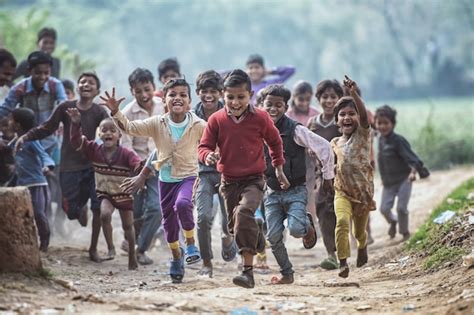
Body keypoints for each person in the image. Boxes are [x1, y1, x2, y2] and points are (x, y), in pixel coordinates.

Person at [103, 79, 205, 283]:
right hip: (165, 179)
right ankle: (177, 257)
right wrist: (116, 112)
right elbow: (130, 127)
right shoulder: (157, 123)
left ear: (189, 101)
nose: (177, 98)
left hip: (189, 176)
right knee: (169, 224)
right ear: (164, 101)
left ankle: (191, 244)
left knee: (183, 204)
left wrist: (212, 155)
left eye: (183, 95)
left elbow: (214, 142)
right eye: (172, 94)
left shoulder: (199, 125)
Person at [198, 69, 289, 289]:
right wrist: (208, 156)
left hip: (254, 180)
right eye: (230, 97)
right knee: (234, 227)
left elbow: (275, 142)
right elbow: (203, 146)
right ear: (223, 96)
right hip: (228, 182)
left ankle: (247, 272)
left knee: (244, 212)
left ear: (250, 94)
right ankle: (256, 234)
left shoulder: (260, 117)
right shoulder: (216, 120)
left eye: (241, 97)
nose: (235, 102)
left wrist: (278, 168)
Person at [15, 72, 109, 261]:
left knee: (97, 208)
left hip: (93, 166)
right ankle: (79, 209)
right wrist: (26, 136)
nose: (86, 84)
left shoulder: (100, 112)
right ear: (77, 88)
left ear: (97, 90)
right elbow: (47, 127)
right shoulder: (65, 107)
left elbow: (110, 132)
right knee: (72, 212)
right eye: (82, 82)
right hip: (69, 167)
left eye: (91, 83)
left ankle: (93, 249)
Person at [260, 84, 334, 284]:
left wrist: (328, 177)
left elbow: (325, 147)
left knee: (294, 229)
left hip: (296, 190)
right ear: (261, 105)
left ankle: (308, 226)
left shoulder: (295, 129)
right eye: (269, 105)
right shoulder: (256, 130)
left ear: (286, 107)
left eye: (278, 105)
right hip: (272, 192)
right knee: (273, 236)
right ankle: (287, 273)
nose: (273, 109)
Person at [68, 110, 141, 270]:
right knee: (105, 214)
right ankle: (111, 247)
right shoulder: (94, 149)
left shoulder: (126, 154)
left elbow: (137, 163)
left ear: (119, 136)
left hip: (123, 193)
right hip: (105, 193)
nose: (108, 133)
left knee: (128, 226)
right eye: (104, 130)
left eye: (112, 130)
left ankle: (131, 257)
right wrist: (75, 124)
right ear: (99, 134)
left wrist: (142, 169)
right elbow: (76, 142)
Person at [331, 75, 376, 278]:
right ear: (337, 120)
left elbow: (365, 117)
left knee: (358, 231)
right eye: (342, 114)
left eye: (352, 114)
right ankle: (342, 262)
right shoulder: (334, 142)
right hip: (342, 191)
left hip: (363, 194)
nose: (347, 117)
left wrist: (353, 94)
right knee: (341, 222)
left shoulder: (363, 135)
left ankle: (362, 244)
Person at [192, 70, 237, 278]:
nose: (208, 95)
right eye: (204, 91)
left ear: (220, 93)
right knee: (202, 218)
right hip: (202, 173)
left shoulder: (230, 113)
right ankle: (207, 263)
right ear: (197, 92)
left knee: (229, 219)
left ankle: (228, 238)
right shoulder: (191, 116)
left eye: (213, 91)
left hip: (227, 173)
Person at [120, 68, 165, 265]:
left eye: (147, 89)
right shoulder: (127, 113)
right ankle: (130, 241)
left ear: (154, 87)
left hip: (160, 166)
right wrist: (139, 169)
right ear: (132, 92)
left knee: (157, 208)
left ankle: (141, 249)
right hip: (136, 168)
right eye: (139, 91)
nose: (144, 95)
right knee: (136, 211)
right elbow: (126, 144)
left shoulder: (163, 106)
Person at [375, 105, 430, 240]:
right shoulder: (380, 140)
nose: (383, 126)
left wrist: (413, 172)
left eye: (386, 123)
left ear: (393, 124)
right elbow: (381, 160)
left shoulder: (399, 141)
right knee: (384, 209)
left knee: (401, 208)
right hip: (388, 182)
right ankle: (393, 221)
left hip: (404, 179)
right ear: (375, 124)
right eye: (379, 123)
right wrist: (383, 177)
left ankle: (405, 233)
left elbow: (411, 157)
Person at [307, 79, 344, 270]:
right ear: (318, 99)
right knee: (322, 209)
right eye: (325, 97)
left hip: (343, 174)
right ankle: (331, 254)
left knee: (341, 211)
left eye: (333, 97)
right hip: (321, 175)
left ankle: (344, 250)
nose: (329, 101)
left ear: (339, 99)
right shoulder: (312, 123)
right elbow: (306, 145)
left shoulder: (343, 120)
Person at [9, 108, 54, 252]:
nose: (8, 122)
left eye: (11, 119)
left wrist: (48, 165)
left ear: (18, 125)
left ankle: (45, 239)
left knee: (39, 213)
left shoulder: (31, 141)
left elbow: (43, 154)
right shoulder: (15, 141)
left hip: (36, 183)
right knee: (22, 213)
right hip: (21, 184)